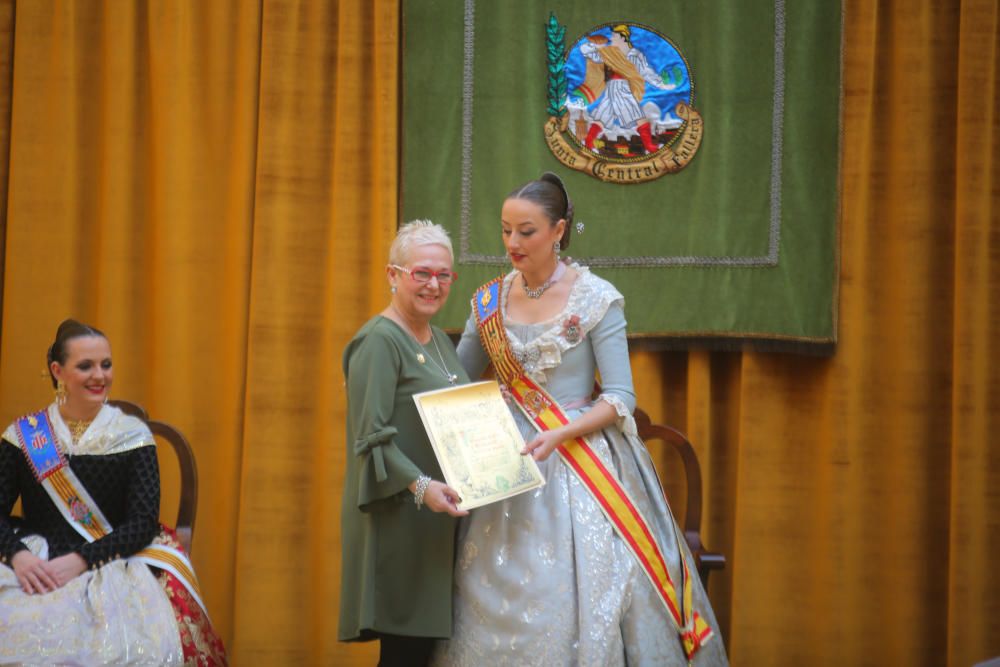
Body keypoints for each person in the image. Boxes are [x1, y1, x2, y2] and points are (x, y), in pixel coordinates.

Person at [432, 174, 729, 666]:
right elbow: (455, 381)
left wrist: (561, 432)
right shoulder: (488, 301)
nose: (512, 243)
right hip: (502, 461)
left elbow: (619, 398)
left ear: (558, 230)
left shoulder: (596, 298)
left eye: (526, 231)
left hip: (579, 456)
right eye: (505, 230)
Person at [0, 319, 227, 665]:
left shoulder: (132, 436)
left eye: (106, 364)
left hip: (115, 559)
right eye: (85, 366)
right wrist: (19, 557)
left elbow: (142, 522)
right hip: (35, 560)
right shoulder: (24, 436)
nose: (100, 376)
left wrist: (81, 561)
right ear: (57, 371)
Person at [339, 220, 471, 667]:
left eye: (443, 275)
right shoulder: (378, 341)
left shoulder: (438, 340)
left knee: (420, 654)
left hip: (434, 520)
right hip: (399, 515)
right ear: (393, 275)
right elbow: (369, 439)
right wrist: (422, 488)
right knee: (403, 656)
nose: (433, 285)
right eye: (422, 273)